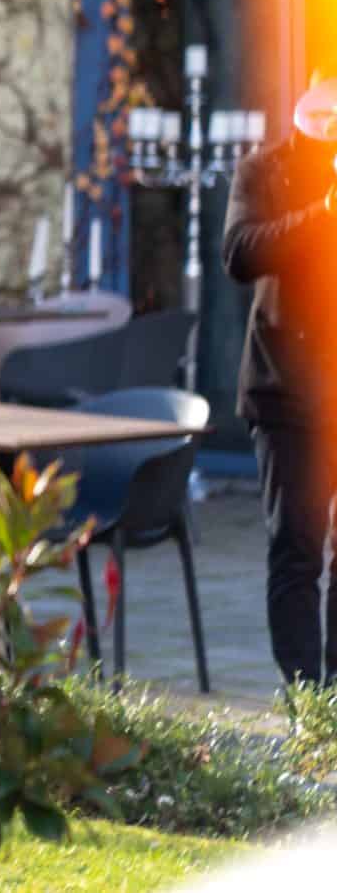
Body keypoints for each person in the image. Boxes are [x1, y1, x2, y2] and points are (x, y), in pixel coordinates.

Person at [222, 104, 337, 686]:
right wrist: (324, 214)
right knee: (297, 550)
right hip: (285, 392)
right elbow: (240, 254)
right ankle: (306, 705)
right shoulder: (262, 170)